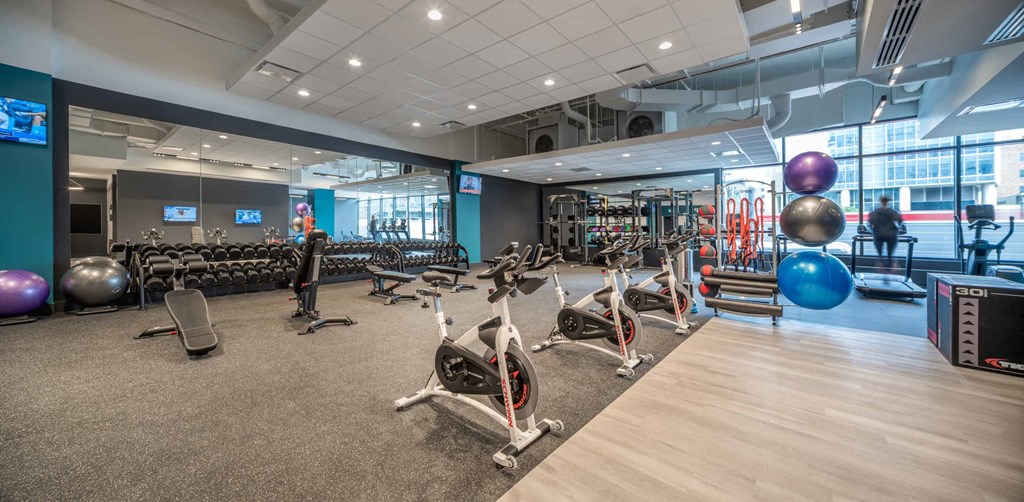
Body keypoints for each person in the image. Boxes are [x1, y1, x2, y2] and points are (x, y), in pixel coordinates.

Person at [868, 195, 903, 273]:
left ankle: (880, 267)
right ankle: (890, 269)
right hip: (891, 235)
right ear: (887, 202)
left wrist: (873, 230)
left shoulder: (875, 212)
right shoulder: (892, 212)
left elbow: (870, 223)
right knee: (890, 254)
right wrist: (897, 229)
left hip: (878, 234)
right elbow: (900, 220)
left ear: (880, 202)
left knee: (879, 254)